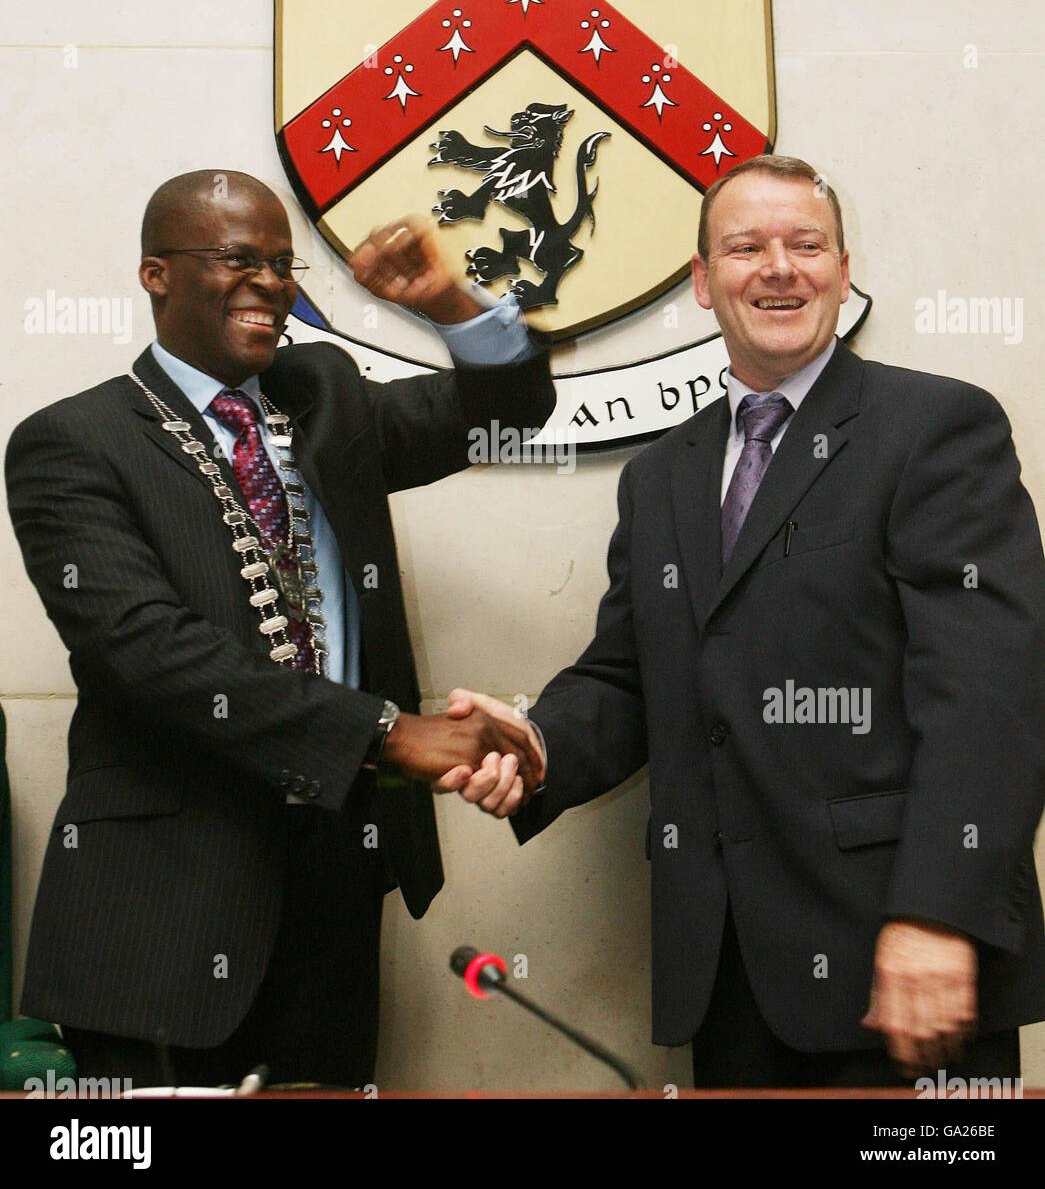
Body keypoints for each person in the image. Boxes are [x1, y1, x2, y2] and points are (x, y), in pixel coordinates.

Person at [446, 155, 1045, 1088]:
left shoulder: (934, 428)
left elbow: (990, 698)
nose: (778, 267)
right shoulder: (663, 474)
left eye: (805, 245)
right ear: (700, 281)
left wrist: (938, 916)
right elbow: (630, 675)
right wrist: (534, 742)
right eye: (745, 247)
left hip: (905, 970)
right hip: (726, 979)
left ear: (842, 273)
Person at [5, 169, 550, 1089]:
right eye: (236, 260)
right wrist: (386, 731)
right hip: (158, 905)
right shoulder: (72, 442)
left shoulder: (323, 397)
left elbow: (508, 413)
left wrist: (446, 303)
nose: (268, 282)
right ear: (156, 275)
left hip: (335, 876)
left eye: (282, 265)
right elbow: (148, 650)